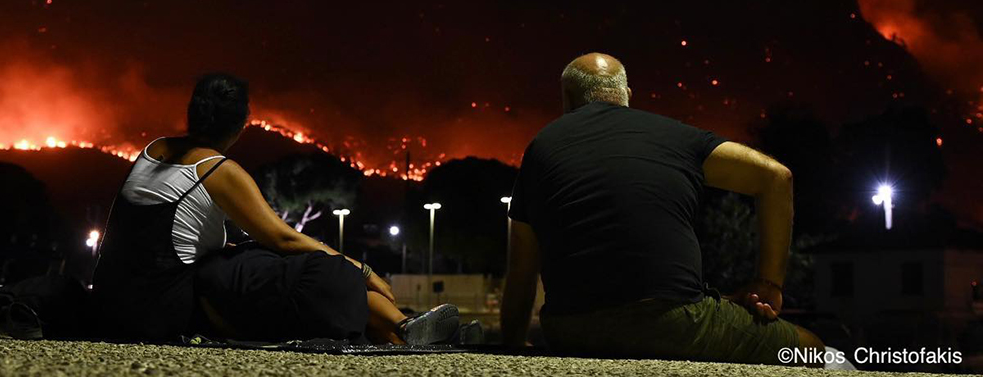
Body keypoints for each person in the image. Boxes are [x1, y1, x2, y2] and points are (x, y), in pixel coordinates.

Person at [500, 53, 825, 365]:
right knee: (813, 350)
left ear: (567, 100)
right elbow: (777, 177)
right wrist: (768, 284)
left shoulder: (540, 149)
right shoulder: (675, 137)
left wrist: (513, 342)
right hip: (672, 322)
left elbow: (520, 272)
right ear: (627, 95)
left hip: (568, 329)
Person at [92, 73, 463, 345]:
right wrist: (363, 270)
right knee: (312, 271)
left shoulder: (154, 149)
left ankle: (405, 328)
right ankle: (402, 326)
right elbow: (284, 238)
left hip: (116, 301)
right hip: (161, 309)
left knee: (254, 263)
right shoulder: (217, 170)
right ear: (241, 126)